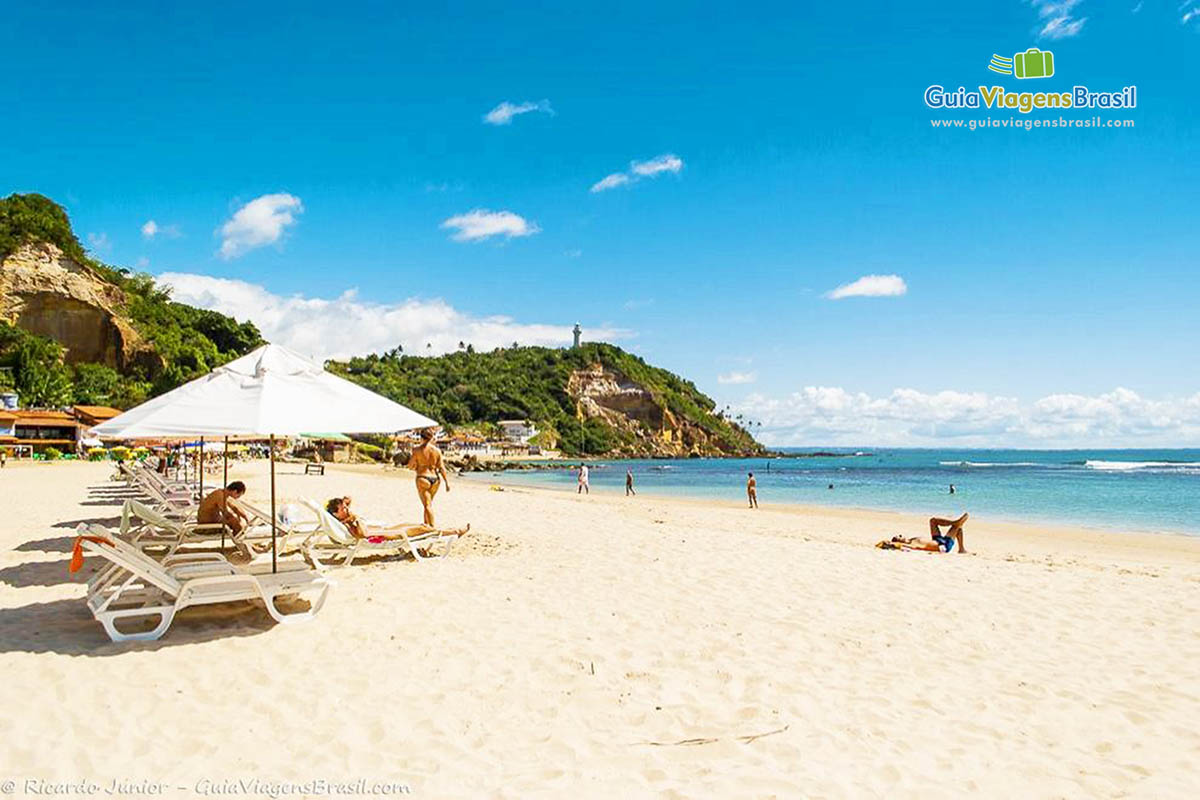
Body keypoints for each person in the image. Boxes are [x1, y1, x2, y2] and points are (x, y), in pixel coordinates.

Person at [408, 427, 449, 526]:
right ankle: (426, 524)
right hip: (436, 479)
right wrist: (447, 483)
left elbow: (410, 465)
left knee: (427, 505)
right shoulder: (437, 451)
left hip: (423, 477)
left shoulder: (416, 450)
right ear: (431, 438)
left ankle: (432, 527)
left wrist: (416, 467)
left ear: (421, 437)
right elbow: (442, 468)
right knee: (428, 504)